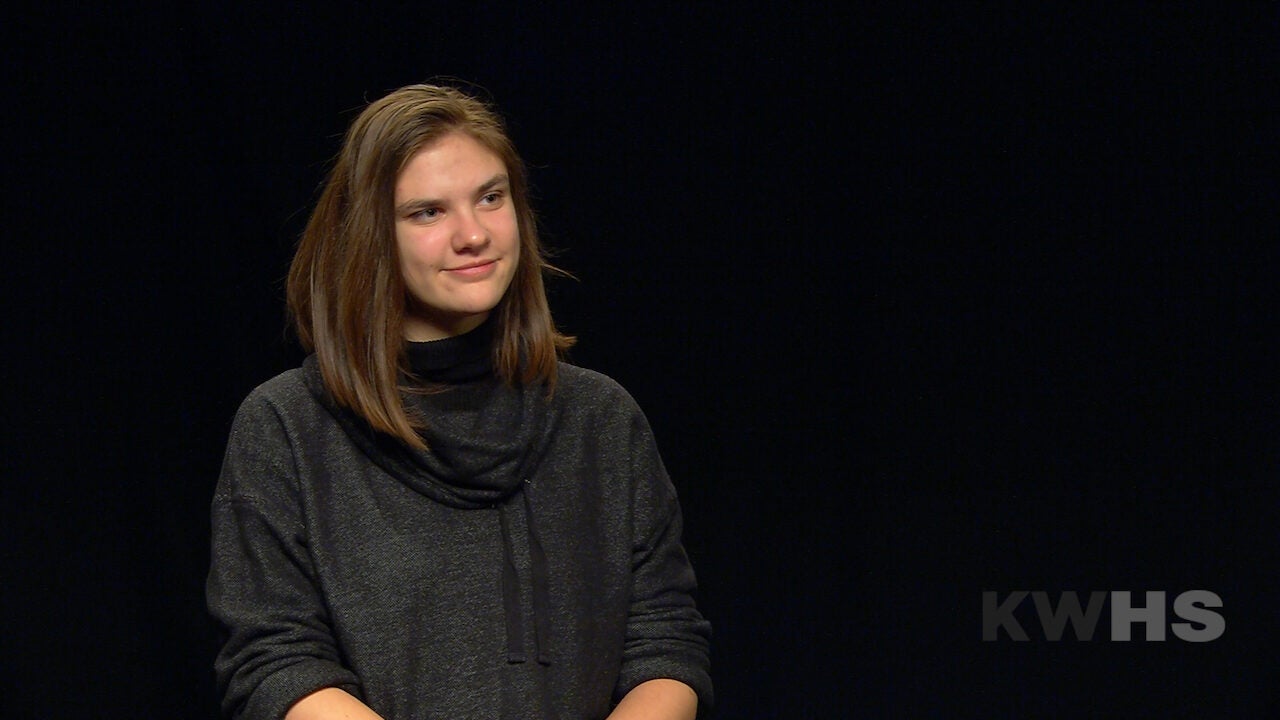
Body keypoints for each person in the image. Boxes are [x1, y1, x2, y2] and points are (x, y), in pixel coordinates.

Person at [205, 82, 712, 720]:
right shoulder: (287, 428)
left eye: (490, 198)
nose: (473, 234)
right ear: (372, 237)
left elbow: (665, 640)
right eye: (428, 212)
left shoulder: (602, 420)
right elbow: (276, 663)